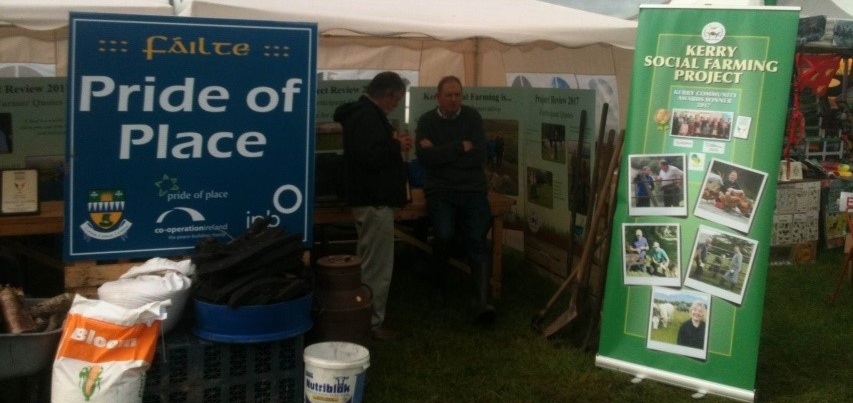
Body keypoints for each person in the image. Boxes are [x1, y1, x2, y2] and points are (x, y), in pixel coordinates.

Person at [333, 71, 412, 341]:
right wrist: (395, 145)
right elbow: (370, 156)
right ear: (387, 95)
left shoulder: (361, 114)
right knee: (377, 267)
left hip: (369, 199)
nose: (397, 105)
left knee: (369, 263)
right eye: (397, 99)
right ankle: (371, 323)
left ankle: (362, 317)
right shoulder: (367, 116)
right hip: (374, 199)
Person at [415, 75, 495, 324]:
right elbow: (424, 158)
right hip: (441, 190)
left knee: (477, 238)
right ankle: (438, 288)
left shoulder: (472, 117)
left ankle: (481, 301)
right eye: (449, 95)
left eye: (458, 94)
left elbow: (479, 156)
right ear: (438, 97)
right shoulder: (426, 121)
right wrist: (460, 147)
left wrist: (441, 153)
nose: (454, 99)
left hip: (472, 189)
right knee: (444, 235)